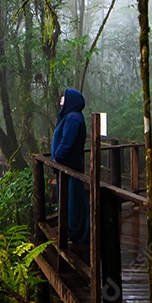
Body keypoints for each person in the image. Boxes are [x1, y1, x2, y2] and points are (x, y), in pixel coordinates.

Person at [51, 87, 89, 244]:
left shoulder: (73, 118)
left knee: (73, 201)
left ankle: (77, 234)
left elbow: (67, 142)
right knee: (69, 199)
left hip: (69, 167)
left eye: (64, 97)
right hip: (66, 167)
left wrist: (57, 157)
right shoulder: (70, 117)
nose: (61, 99)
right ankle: (73, 231)